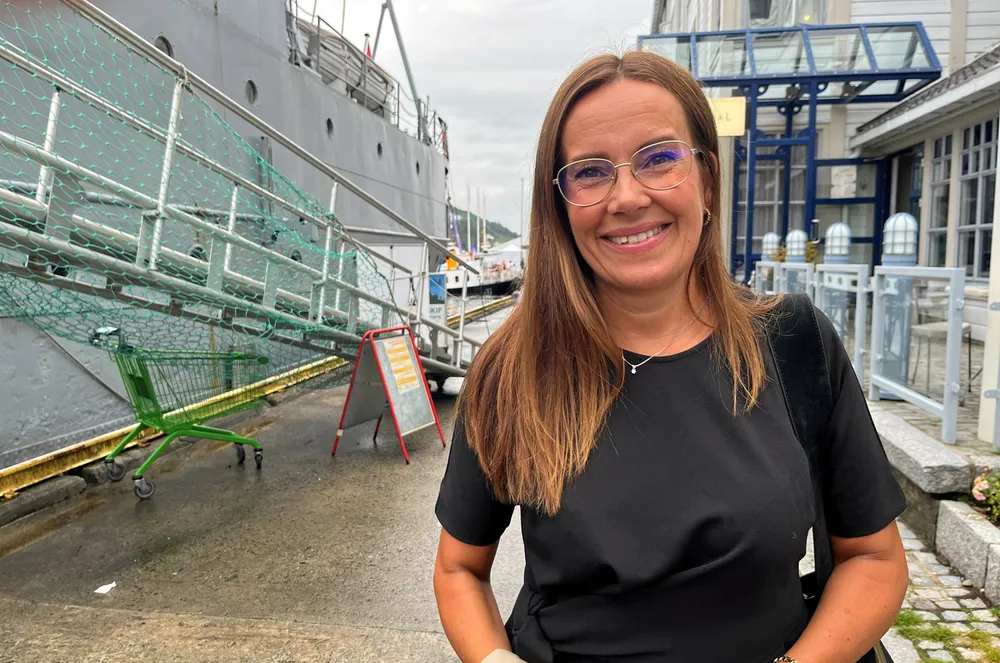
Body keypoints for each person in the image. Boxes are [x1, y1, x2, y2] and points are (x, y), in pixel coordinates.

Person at [432, 49, 908, 663]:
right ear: (560, 205)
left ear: (707, 178)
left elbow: (873, 558)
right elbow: (459, 569)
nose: (628, 197)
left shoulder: (793, 340)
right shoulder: (515, 368)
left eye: (659, 159)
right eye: (591, 172)